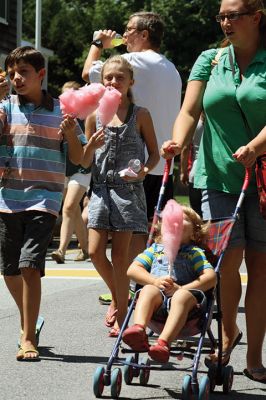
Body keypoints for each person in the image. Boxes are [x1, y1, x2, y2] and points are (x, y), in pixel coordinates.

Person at [161, 0, 266, 383]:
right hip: (217, 177)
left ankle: (254, 357)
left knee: (261, 268)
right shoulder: (210, 59)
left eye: (232, 15)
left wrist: (256, 145)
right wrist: (177, 141)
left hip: (264, 179)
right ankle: (227, 337)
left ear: (255, 17)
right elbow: (189, 111)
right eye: (220, 16)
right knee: (224, 266)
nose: (224, 22)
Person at [0, 46, 84, 361]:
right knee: (9, 272)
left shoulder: (62, 110)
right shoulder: (6, 107)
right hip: (7, 198)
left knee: (29, 267)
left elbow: (78, 157)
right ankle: (30, 318)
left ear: (41, 75)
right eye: (12, 74)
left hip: (45, 199)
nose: (17, 79)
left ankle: (27, 337)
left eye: (24, 72)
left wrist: (70, 134)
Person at [82, 12, 182, 261]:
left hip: (132, 164)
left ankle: (129, 291)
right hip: (160, 165)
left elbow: (87, 74)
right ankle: (140, 289)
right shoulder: (171, 68)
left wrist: (98, 44)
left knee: (127, 241)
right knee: (149, 234)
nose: (124, 35)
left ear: (144, 34)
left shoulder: (133, 60)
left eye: (128, 30)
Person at [82, 55, 159, 337]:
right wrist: (87, 145)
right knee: (93, 251)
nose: (113, 82)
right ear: (102, 82)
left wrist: (143, 173)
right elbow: (84, 160)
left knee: (121, 254)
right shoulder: (93, 115)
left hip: (128, 192)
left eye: (120, 78)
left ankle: (122, 312)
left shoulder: (141, 114)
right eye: (108, 78)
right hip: (101, 189)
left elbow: (154, 153)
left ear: (130, 82)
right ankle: (119, 294)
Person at [122, 205, 216, 363]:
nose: (176, 221)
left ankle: (163, 343)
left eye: (183, 219)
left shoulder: (194, 253)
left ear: (194, 233)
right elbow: (132, 270)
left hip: (189, 311)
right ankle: (138, 329)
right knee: (148, 290)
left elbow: (211, 277)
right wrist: (154, 281)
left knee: (180, 296)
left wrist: (182, 288)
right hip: (156, 311)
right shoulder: (155, 250)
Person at [51, 81, 90, 264]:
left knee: (67, 207)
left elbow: (86, 146)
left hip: (82, 168)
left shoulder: (85, 115)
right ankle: (85, 247)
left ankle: (61, 250)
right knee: (73, 210)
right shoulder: (55, 115)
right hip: (63, 169)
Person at [180, 114, 205, 217]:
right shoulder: (216, 122)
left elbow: (185, 148)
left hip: (195, 174)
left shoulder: (194, 124)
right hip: (213, 176)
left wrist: (183, 172)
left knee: (195, 216)